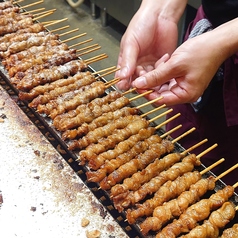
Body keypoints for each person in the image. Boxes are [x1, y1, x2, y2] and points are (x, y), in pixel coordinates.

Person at [115, 0, 238, 189]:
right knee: (175, 155)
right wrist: (160, 11)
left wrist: (224, 40)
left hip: (214, 47)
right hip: (202, 46)